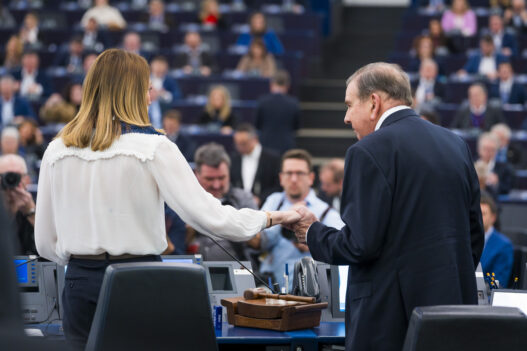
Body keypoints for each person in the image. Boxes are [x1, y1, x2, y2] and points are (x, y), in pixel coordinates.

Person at [34, 49, 300, 350]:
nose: (151, 97)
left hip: (79, 284)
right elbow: (211, 217)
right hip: (137, 282)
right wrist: (272, 217)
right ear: (132, 92)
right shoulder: (153, 147)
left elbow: (44, 242)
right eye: (147, 88)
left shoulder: (57, 150)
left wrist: (84, 260)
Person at [290, 62, 484, 351]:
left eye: (349, 105)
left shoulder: (367, 151)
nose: (346, 118)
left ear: (373, 102)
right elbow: (474, 237)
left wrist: (312, 232)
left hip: (389, 325)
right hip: (451, 319)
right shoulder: (455, 145)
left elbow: (360, 245)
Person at [252, 149, 344, 291]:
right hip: (268, 287)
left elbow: (341, 249)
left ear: (311, 178)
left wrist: (313, 244)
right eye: (289, 173)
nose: (294, 179)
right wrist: (285, 217)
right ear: (281, 178)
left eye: (300, 173)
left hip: (307, 293)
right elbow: (261, 241)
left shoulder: (326, 212)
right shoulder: (273, 201)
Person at [187, 143, 260, 261]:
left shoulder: (243, 199)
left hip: (238, 270)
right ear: (197, 174)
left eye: (221, 178)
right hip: (193, 271)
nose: (216, 185)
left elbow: (259, 243)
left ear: (229, 174)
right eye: (209, 179)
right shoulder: (185, 202)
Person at [231, 123, 281, 206]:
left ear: (255, 139)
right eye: (237, 144)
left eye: (243, 143)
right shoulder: (234, 159)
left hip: (266, 208)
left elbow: (278, 186)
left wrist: (261, 198)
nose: (239, 147)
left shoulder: (273, 159)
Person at [256, 70, 301, 155]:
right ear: (287, 86)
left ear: (271, 84)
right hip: (286, 145)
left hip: (266, 144)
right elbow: (296, 127)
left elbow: (257, 125)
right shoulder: (293, 103)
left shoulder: (262, 101)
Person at [0, 154, 37, 255]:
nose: (11, 180)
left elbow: (50, 250)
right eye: (6, 176)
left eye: (17, 176)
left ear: (27, 180)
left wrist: (31, 212)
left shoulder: (41, 207)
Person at [480, 193, 513, 288]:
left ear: (493, 218)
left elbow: (498, 284)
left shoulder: (504, 245)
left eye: (483, 214)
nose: (478, 218)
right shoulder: (466, 240)